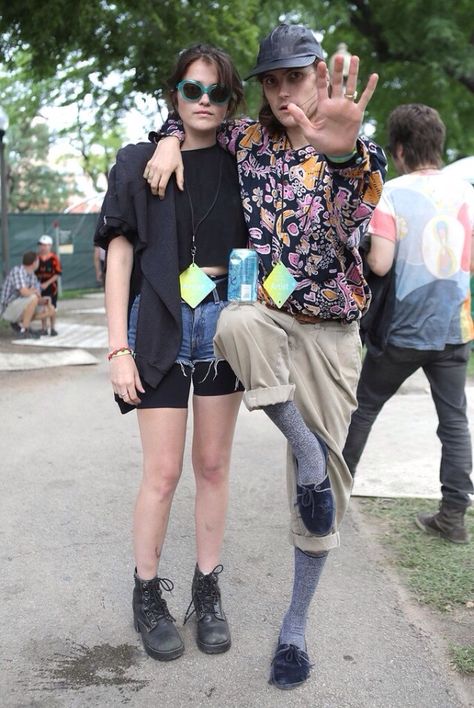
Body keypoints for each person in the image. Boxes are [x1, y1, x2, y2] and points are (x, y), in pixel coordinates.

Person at [145, 23, 386, 688]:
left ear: (319, 76)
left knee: (320, 497)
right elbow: (190, 114)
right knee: (231, 318)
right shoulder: (244, 140)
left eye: (295, 76)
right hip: (267, 321)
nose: (283, 91)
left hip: (332, 331)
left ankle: (295, 629)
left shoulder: (355, 152)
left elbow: (349, 232)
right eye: (272, 80)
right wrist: (167, 138)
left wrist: (339, 159)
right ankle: (304, 449)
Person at [94, 44, 247, 662]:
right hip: (157, 318)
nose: (202, 100)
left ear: (231, 100)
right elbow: (120, 255)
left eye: (214, 91)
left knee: (212, 465)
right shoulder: (137, 163)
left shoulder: (248, 165)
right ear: (173, 96)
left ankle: (205, 591)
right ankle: (146, 593)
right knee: (162, 472)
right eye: (191, 89)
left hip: (225, 321)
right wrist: (117, 348)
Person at [343, 103, 474, 544]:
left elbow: (380, 263)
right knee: (454, 421)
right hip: (455, 327)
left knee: (363, 408)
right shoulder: (468, 193)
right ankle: (453, 516)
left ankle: (333, 501)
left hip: (403, 329)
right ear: (438, 145)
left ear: (398, 150)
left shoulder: (392, 193)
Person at [0, 251, 56, 338]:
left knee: (47, 306)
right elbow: (24, 292)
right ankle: (24, 331)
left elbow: (37, 295)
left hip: (19, 306)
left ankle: (23, 326)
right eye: (38, 261)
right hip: (8, 308)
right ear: (34, 263)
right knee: (33, 298)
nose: (39, 263)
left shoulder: (32, 275)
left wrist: (46, 303)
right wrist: (33, 292)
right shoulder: (18, 271)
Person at [36, 234, 61, 335]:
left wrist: (47, 283)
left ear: (50, 246)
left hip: (51, 287)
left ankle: (53, 328)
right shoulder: (36, 258)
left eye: (45, 245)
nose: (43, 247)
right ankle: (44, 328)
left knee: (51, 306)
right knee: (42, 307)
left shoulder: (54, 258)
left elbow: (58, 274)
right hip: (39, 287)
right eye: (41, 245)